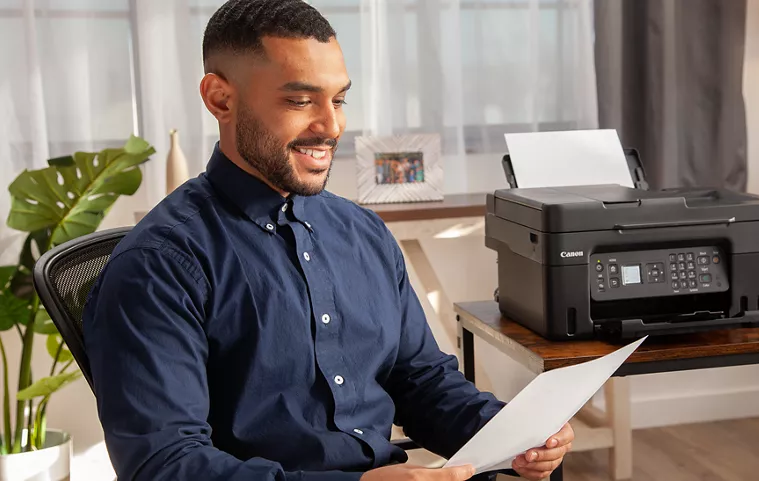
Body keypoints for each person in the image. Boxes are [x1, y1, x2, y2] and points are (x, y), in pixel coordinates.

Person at [81, 0, 573, 480]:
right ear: (220, 99)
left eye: (338, 99)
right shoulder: (158, 265)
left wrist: (511, 433)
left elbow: (419, 380)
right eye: (300, 101)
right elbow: (165, 465)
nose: (332, 126)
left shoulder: (363, 233)